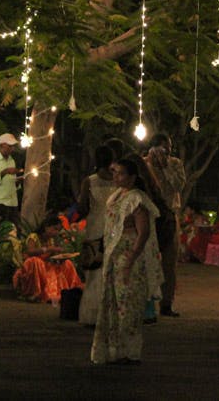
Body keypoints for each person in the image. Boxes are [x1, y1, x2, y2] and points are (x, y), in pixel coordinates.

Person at [90, 157, 163, 365]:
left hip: (128, 255)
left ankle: (128, 350)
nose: (116, 176)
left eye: (121, 173)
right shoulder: (116, 196)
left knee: (127, 302)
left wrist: (131, 257)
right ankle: (113, 349)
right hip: (114, 254)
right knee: (112, 301)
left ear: (132, 177)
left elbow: (144, 232)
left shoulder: (136, 199)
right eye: (115, 173)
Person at [143, 132, 187, 318]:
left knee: (170, 262)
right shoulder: (144, 164)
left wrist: (166, 167)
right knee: (147, 260)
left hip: (170, 215)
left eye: (168, 149)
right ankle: (146, 304)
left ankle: (167, 303)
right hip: (149, 216)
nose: (166, 152)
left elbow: (178, 186)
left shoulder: (175, 164)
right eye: (162, 149)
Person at [78, 144, 118, 326]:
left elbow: (82, 208)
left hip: (94, 228)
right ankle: (111, 315)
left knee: (93, 274)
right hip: (114, 229)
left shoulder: (90, 181)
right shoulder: (118, 181)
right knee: (112, 273)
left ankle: (91, 314)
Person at [12, 213, 83, 303]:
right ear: (46, 227)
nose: (56, 232)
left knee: (67, 263)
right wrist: (47, 249)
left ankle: (70, 292)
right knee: (36, 261)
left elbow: (49, 257)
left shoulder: (51, 240)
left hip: (46, 264)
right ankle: (37, 293)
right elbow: (30, 252)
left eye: (58, 230)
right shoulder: (33, 236)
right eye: (55, 229)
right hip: (32, 265)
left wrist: (58, 256)